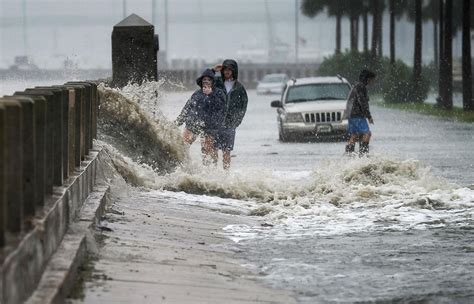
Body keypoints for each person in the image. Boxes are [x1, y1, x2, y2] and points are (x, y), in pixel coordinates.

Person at [175, 68, 226, 164]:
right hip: (193, 124)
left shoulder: (219, 93)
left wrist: (210, 95)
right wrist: (178, 121)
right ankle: (183, 165)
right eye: (204, 79)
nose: (206, 81)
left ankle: (210, 169)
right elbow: (187, 108)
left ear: (213, 81)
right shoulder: (196, 93)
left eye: (209, 79)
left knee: (206, 150)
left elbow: (221, 107)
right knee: (183, 145)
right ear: (201, 81)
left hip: (210, 126)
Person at [211, 59, 248, 170]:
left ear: (234, 71)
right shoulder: (216, 83)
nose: (227, 72)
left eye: (229, 69)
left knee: (227, 151)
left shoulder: (239, 88)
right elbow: (202, 81)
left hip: (230, 125)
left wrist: (236, 122)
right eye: (225, 69)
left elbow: (243, 106)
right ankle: (214, 172)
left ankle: (226, 174)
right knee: (214, 150)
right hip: (215, 124)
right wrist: (212, 70)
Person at [343, 69, 376, 156]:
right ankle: (363, 156)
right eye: (372, 80)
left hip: (351, 114)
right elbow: (363, 102)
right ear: (367, 79)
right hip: (357, 115)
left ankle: (349, 156)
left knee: (354, 135)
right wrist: (369, 116)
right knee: (367, 134)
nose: (372, 82)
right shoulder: (361, 87)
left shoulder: (356, 85)